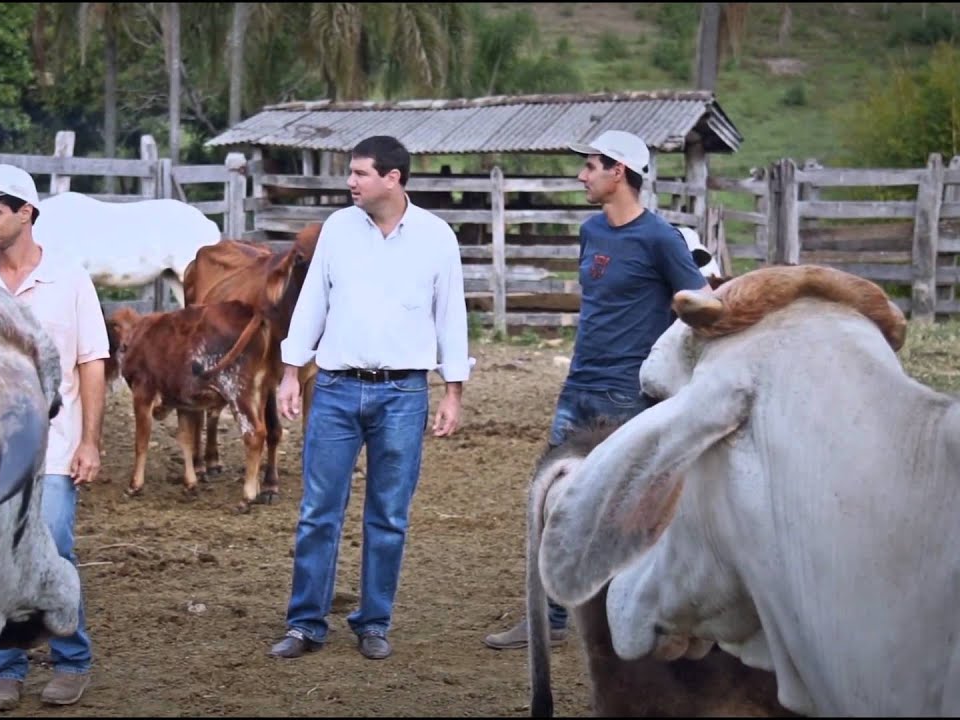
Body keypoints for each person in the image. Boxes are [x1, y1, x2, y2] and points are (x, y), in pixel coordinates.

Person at [482, 130, 711, 652]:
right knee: (552, 503)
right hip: (579, 385)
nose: (582, 176)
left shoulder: (660, 239)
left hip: (628, 396)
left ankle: (629, 615)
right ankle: (551, 621)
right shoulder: (591, 231)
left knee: (625, 509)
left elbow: (699, 303)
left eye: (590, 166)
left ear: (619, 172)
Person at [268, 135, 471, 661]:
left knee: (389, 515)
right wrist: (291, 372)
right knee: (318, 510)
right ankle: (305, 622)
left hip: (404, 392)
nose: (350, 181)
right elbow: (312, 301)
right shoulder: (337, 230)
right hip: (335, 388)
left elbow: (451, 314)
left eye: (359, 173)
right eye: (351, 173)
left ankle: (374, 620)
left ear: (392, 178)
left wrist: (453, 391)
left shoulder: (435, 237)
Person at [0, 164, 110, 708]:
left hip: (56, 446)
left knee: (54, 549)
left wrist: (90, 440)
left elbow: (91, 362)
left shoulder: (69, 279)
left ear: (26, 213)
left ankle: (71, 659)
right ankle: (6, 666)